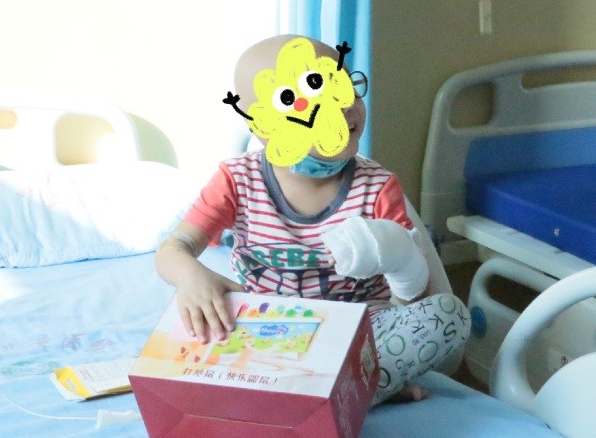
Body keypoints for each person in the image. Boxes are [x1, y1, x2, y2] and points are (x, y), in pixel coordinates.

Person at [156, 34, 470, 404]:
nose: (344, 107)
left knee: (449, 316)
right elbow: (172, 250)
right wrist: (191, 277)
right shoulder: (237, 180)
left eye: (344, 88)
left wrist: (401, 258)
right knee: (197, 322)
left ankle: (341, 394)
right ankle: (355, 390)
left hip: (360, 332)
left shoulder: (377, 187)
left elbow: (414, 299)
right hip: (273, 332)